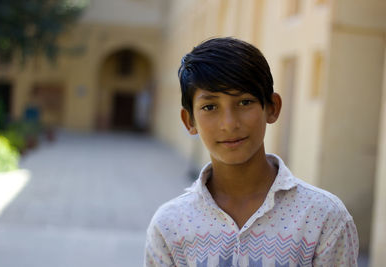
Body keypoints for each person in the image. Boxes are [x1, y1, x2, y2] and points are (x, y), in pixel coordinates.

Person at [144, 37, 359, 267]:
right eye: (210, 107)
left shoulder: (322, 217)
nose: (229, 123)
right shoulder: (170, 225)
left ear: (272, 108)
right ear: (190, 121)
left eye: (245, 102)